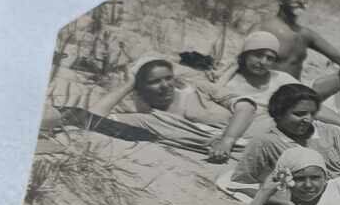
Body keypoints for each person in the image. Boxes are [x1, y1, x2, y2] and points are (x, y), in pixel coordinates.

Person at [82, 55, 233, 153]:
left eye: (168, 78)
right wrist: (129, 84)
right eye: (154, 82)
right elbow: (92, 117)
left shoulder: (194, 96)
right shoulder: (148, 118)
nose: (165, 85)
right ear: (139, 89)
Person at [213, 0, 340, 83]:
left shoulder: (305, 34)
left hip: (293, 93)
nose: (301, 1)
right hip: (265, 89)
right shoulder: (262, 27)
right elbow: (240, 60)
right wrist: (222, 81)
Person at [206, 31, 301, 163]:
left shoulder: (281, 79)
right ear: (246, 54)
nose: (263, 62)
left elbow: (310, 102)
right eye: (258, 55)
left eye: (270, 58)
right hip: (243, 134)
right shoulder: (228, 80)